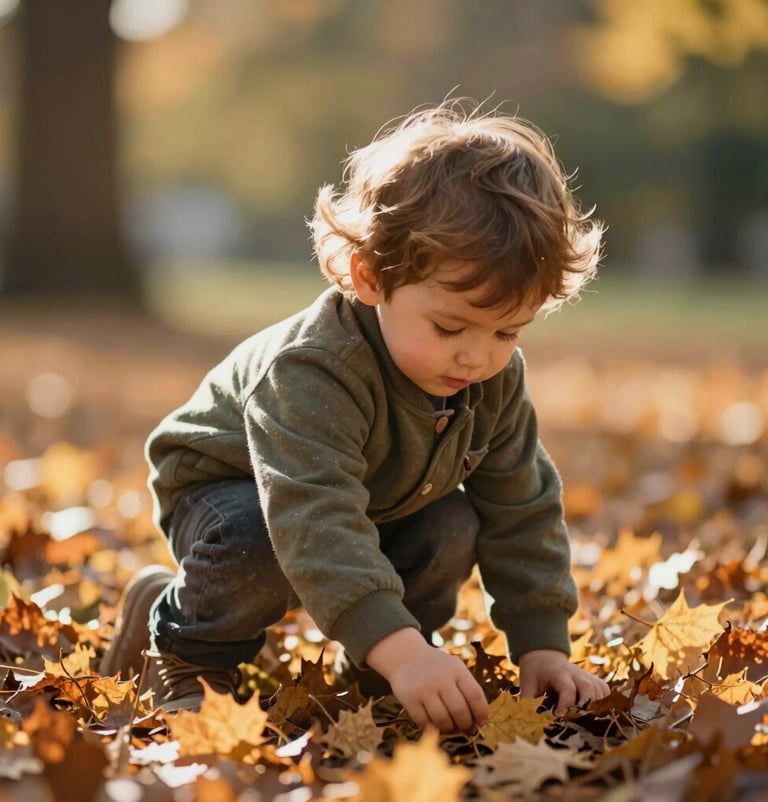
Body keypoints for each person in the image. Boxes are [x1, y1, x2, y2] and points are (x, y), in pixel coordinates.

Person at [102, 99, 610, 732]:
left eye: (508, 330)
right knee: (255, 544)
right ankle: (187, 654)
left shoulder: (491, 379)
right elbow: (312, 512)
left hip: (373, 497)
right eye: (450, 326)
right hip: (234, 491)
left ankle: (382, 670)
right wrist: (404, 652)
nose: (479, 355)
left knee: (451, 522)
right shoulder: (313, 369)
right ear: (370, 277)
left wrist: (542, 647)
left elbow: (521, 506)